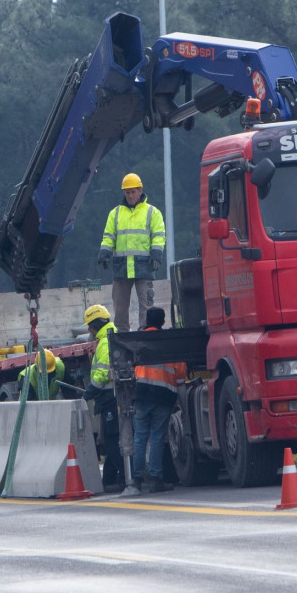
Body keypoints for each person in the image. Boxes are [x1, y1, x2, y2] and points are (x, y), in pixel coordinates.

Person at [97, 173, 165, 332]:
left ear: (140, 190)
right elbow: (108, 236)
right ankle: (122, 333)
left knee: (146, 304)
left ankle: (145, 332)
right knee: (120, 306)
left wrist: (156, 255)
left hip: (144, 266)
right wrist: (104, 253)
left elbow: (158, 236)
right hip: (122, 267)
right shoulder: (115, 213)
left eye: (133, 192)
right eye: (127, 192)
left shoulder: (152, 212)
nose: (130, 195)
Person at [131, 307, 185, 493]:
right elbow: (180, 375)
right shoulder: (169, 342)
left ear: (147, 320)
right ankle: (156, 479)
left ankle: (136, 480)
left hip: (141, 394)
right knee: (157, 438)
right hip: (162, 396)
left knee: (139, 438)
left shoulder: (137, 340)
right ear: (163, 322)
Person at [81, 304, 128, 491]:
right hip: (110, 396)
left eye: (90, 326)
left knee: (112, 440)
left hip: (110, 397)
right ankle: (109, 479)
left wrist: (90, 390)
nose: (88, 330)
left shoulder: (107, 341)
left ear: (97, 324)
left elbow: (102, 373)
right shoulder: (109, 337)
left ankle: (125, 477)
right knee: (111, 439)